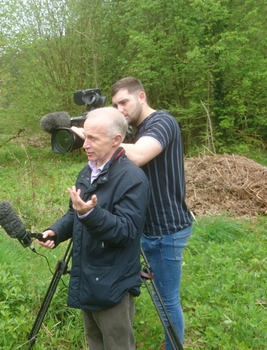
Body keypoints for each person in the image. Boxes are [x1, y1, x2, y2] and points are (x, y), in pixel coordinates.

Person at [38, 107, 151, 350]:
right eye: (84, 136)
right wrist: (56, 231)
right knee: (95, 343)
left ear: (116, 140)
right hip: (88, 275)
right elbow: (74, 213)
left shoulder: (133, 179)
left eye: (93, 139)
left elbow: (126, 232)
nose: (84, 144)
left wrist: (89, 213)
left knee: (117, 345)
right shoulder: (88, 171)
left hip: (113, 282)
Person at [111, 77, 194, 350]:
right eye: (114, 105)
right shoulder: (136, 130)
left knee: (166, 298)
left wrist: (94, 134)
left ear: (141, 96)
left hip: (166, 228)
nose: (120, 109)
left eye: (124, 101)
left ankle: (174, 347)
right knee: (162, 296)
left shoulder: (162, 122)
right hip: (150, 227)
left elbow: (137, 156)